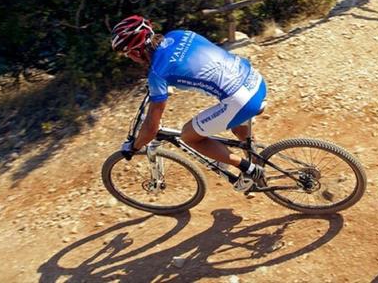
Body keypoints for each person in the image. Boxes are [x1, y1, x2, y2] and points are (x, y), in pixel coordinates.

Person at [112, 15, 267, 192]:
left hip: (241, 99)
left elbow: (151, 129)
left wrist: (133, 147)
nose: (130, 58)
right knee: (238, 127)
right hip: (254, 79)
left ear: (135, 51)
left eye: (128, 54)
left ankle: (249, 169)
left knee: (189, 136)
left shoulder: (157, 72)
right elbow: (191, 63)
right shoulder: (178, 34)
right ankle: (257, 159)